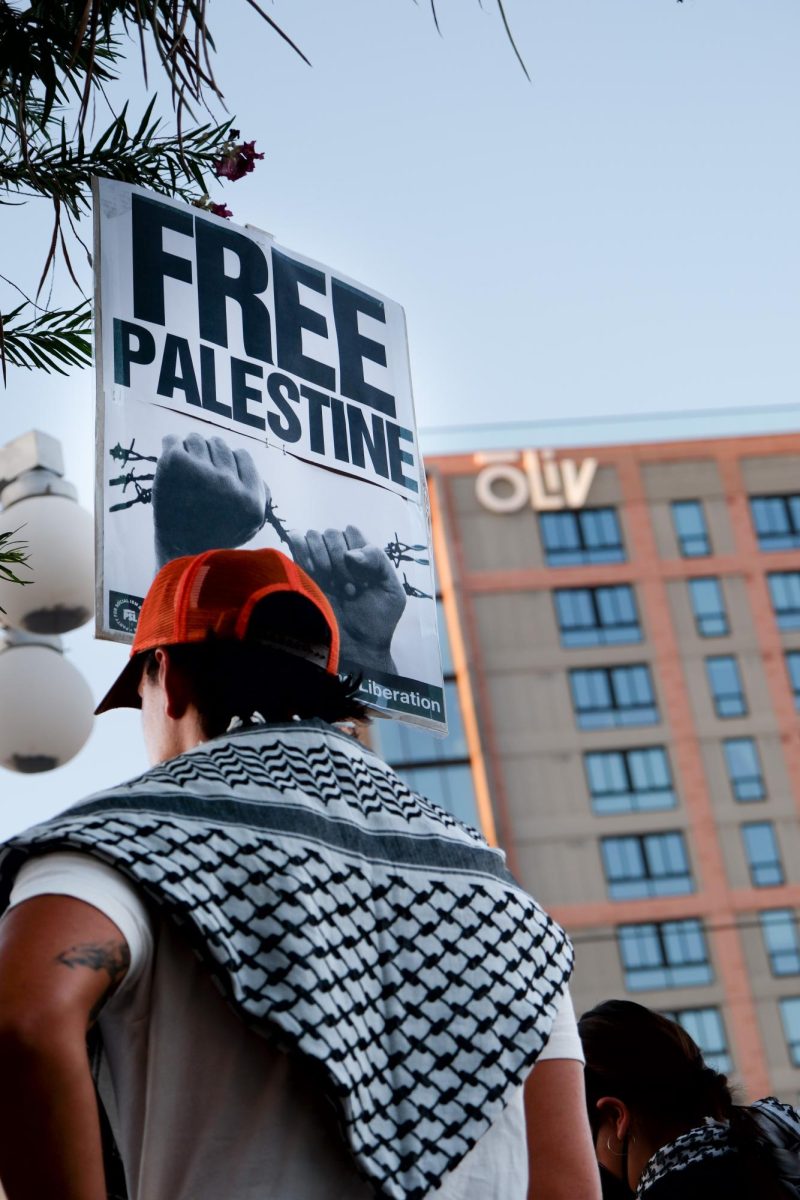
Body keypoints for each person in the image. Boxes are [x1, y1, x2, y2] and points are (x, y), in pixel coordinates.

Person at [0, 546, 599, 1200]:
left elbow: (23, 1016)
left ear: (165, 678)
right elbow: (567, 1184)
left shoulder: (128, 836)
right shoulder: (500, 896)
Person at [579, 998, 800, 1199]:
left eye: (588, 1143)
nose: (595, 1166)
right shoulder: (774, 1149)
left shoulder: (676, 1190)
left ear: (616, 1115)